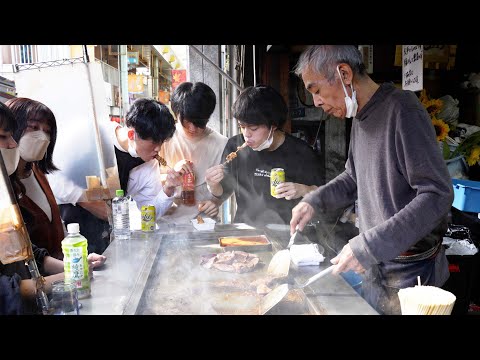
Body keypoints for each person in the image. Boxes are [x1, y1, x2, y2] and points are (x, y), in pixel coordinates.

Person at [289, 45, 454, 315]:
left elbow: (437, 194)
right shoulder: (360, 117)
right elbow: (353, 176)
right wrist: (314, 201)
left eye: (316, 91)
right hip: (376, 266)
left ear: (343, 73)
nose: (317, 102)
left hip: (410, 275)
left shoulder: (403, 110)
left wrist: (368, 245)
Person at [0, 102, 106, 315]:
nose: (12, 144)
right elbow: (5, 291)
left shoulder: (28, 178)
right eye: (3, 137)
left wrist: (73, 265)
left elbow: (25, 250)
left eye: (48, 132)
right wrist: (67, 276)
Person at [206, 84, 324, 227]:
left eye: (253, 128)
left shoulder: (302, 152)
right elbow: (223, 192)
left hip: (288, 232)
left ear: (273, 125)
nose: (246, 134)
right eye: (242, 127)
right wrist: (212, 184)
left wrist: (304, 190)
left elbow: (324, 195)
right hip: (245, 231)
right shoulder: (235, 146)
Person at [158, 82, 228, 223]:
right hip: (167, 225)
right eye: (186, 121)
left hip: (205, 225)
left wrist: (215, 203)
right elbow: (147, 185)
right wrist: (170, 176)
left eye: (198, 123)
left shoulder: (222, 144)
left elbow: (224, 191)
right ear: (176, 114)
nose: (192, 128)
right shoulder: (163, 139)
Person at [112, 98, 183, 220]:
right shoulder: (100, 138)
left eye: (161, 143)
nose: (158, 149)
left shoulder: (150, 163)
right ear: (131, 135)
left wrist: (168, 189)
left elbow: (149, 213)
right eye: (154, 142)